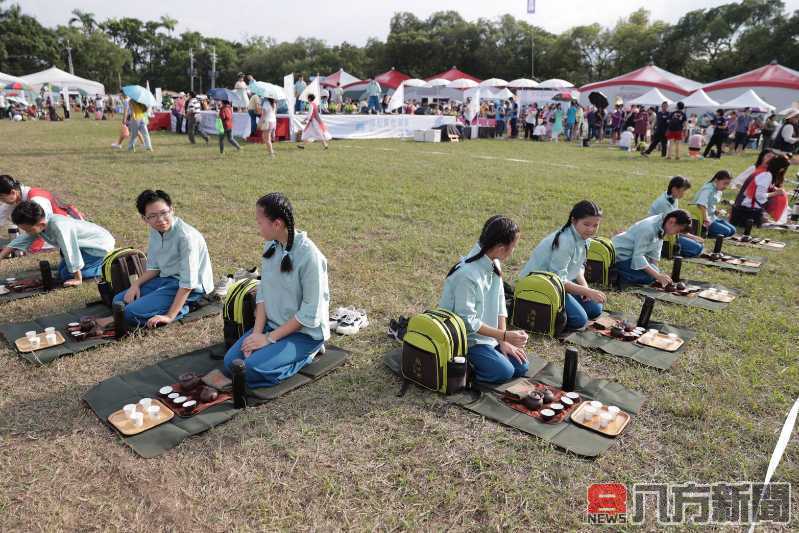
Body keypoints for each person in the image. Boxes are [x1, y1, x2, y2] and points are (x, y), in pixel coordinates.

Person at [222, 193, 329, 388]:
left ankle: (308, 354)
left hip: (304, 333)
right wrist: (256, 335)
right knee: (231, 364)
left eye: (259, 222)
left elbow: (309, 313)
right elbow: (263, 292)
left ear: (277, 224)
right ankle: (272, 354)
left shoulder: (310, 256)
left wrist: (269, 339)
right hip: (272, 325)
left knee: (248, 370)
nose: (257, 227)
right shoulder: (271, 245)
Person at [95, 190, 213, 328]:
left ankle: (186, 306)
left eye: (164, 213)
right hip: (166, 279)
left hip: (191, 288)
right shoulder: (155, 230)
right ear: (145, 219)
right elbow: (155, 268)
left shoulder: (186, 238)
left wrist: (169, 316)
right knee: (118, 300)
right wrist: (135, 285)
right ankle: (123, 315)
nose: (161, 220)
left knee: (129, 313)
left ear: (172, 210)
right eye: (153, 216)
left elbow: (188, 283)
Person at [438, 216, 528, 383]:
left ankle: (489, 356)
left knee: (521, 366)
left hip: (488, 336)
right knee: (505, 371)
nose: (514, 250)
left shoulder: (494, 261)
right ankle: (462, 370)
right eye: (514, 247)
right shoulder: (467, 275)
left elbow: (501, 301)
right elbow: (467, 322)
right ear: (501, 248)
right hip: (466, 340)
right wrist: (504, 334)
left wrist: (503, 339)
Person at [519, 201, 606, 330]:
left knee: (595, 309)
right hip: (539, 285)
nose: (591, 229)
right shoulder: (565, 241)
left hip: (558, 283)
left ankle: (562, 309)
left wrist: (585, 286)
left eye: (595, 225)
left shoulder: (585, 238)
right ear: (573, 220)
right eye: (586, 224)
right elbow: (559, 280)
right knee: (579, 320)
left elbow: (579, 267)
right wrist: (587, 291)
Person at [2, 201, 114, 284]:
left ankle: (108, 265)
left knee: (66, 275)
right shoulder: (39, 223)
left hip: (98, 246)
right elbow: (22, 239)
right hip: (83, 246)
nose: (27, 232)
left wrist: (77, 279)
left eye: (28, 230)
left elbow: (69, 249)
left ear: (41, 224)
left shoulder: (59, 227)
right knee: (61, 272)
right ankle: (91, 266)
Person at [0, 175, 84, 255]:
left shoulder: (37, 199)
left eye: (1, 198)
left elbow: (43, 226)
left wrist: (31, 247)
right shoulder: (16, 197)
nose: (1, 201)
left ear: (13, 192)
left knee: (26, 247)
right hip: (49, 228)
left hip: (66, 227)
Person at [612, 210, 692, 286]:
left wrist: (657, 273)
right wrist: (657, 276)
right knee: (649, 277)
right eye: (677, 231)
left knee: (654, 273)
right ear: (672, 221)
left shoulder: (663, 225)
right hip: (620, 257)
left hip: (631, 255)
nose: (675, 234)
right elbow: (638, 257)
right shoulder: (649, 228)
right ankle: (615, 273)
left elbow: (654, 254)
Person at [649, 176, 704, 257]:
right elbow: (671, 227)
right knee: (697, 248)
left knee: (699, 246)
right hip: (663, 236)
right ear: (674, 189)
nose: (684, 194)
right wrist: (692, 237)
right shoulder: (663, 203)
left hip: (672, 232)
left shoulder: (673, 198)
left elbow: (676, 224)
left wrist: (691, 236)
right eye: (683, 191)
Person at [733, 155, 790, 224]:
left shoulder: (765, 172)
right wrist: (775, 193)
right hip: (748, 208)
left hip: (747, 205)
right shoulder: (767, 176)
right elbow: (759, 196)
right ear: (781, 169)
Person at [693, 170, 735, 237]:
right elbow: (701, 204)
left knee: (733, 230)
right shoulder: (708, 189)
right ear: (716, 180)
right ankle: (703, 232)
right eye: (725, 183)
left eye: (728, 184)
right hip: (702, 219)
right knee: (727, 232)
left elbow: (711, 204)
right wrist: (706, 219)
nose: (726, 186)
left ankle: (712, 231)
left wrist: (715, 211)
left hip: (712, 217)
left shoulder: (718, 189)